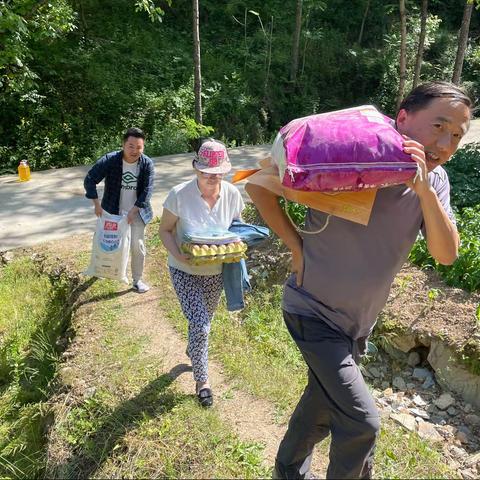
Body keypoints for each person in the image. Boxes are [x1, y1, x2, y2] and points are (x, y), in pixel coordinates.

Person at [245, 81, 473, 479]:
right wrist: (296, 248)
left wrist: (423, 191)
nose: (445, 142)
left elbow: (446, 253)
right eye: (438, 126)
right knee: (361, 422)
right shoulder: (351, 161)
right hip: (311, 310)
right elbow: (258, 186)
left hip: (356, 323)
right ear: (402, 117)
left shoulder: (435, 185)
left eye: (456, 135)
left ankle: (287, 470)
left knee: (321, 403)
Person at [159, 138, 244, 407]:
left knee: (203, 322)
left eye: (217, 173)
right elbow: (165, 230)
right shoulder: (179, 195)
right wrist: (177, 253)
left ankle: (193, 350)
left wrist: (239, 245)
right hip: (184, 269)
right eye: (206, 172)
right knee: (201, 324)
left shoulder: (231, 194)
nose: (212, 177)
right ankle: (202, 381)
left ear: (225, 172)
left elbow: (238, 228)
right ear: (197, 169)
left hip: (216, 272)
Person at [84, 127, 154, 293]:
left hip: (137, 212)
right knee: (106, 242)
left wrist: (133, 211)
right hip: (111, 210)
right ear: (123, 144)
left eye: (139, 147)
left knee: (137, 246)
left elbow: (147, 190)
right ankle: (102, 269)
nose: (134, 151)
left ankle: (137, 280)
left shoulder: (147, 164)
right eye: (131, 146)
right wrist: (96, 204)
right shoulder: (111, 160)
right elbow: (90, 179)